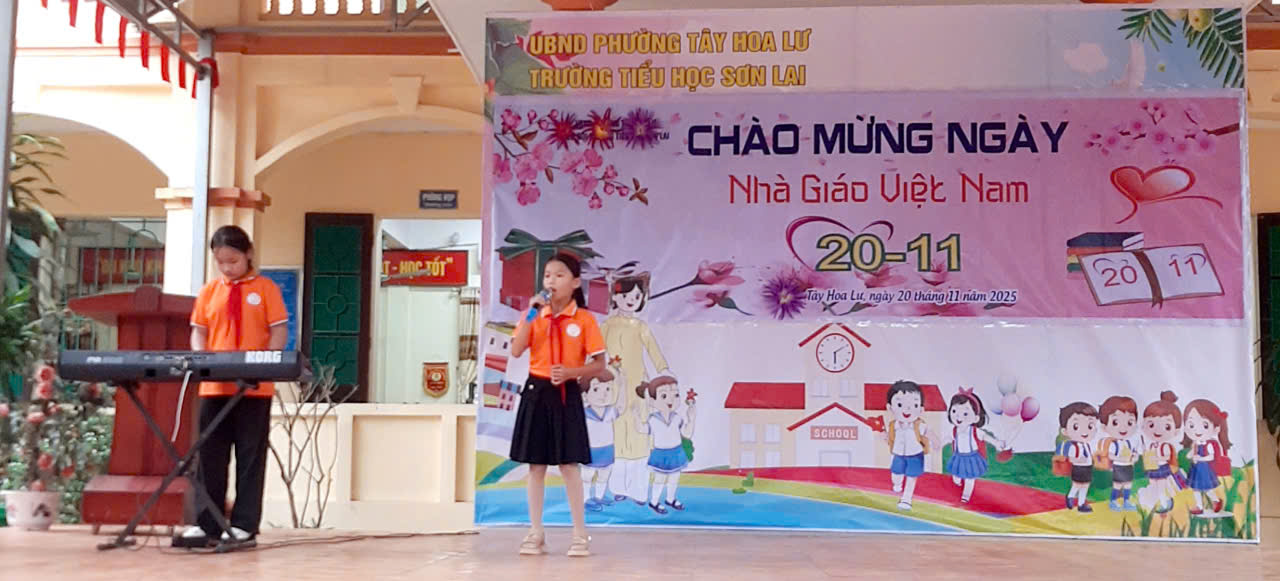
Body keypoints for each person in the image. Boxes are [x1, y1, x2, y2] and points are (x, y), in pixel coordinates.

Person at [172, 225, 288, 549]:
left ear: (248, 254)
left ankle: (243, 525)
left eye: (233, 261)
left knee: (250, 456)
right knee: (210, 455)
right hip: (215, 386)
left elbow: (278, 330)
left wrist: (267, 363)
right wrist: (202, 359)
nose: (226, 267)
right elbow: (199, 331)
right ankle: (206, 523)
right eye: (220, 261)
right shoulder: (209, 291)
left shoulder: (266, 289)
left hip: (254, 387)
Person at [509, 252, 606, 558]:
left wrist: (571, 372)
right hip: (537, 391)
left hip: (566, 391)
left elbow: (599, 365)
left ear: (575, 282)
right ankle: (535, 532)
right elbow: (516, 349)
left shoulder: (584, 319)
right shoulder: (534, 315)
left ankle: (579, 534)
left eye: (559, 275)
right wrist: (530, 313)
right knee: (536, 465)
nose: (551, 280)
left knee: (568, 464)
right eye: (547, 275)